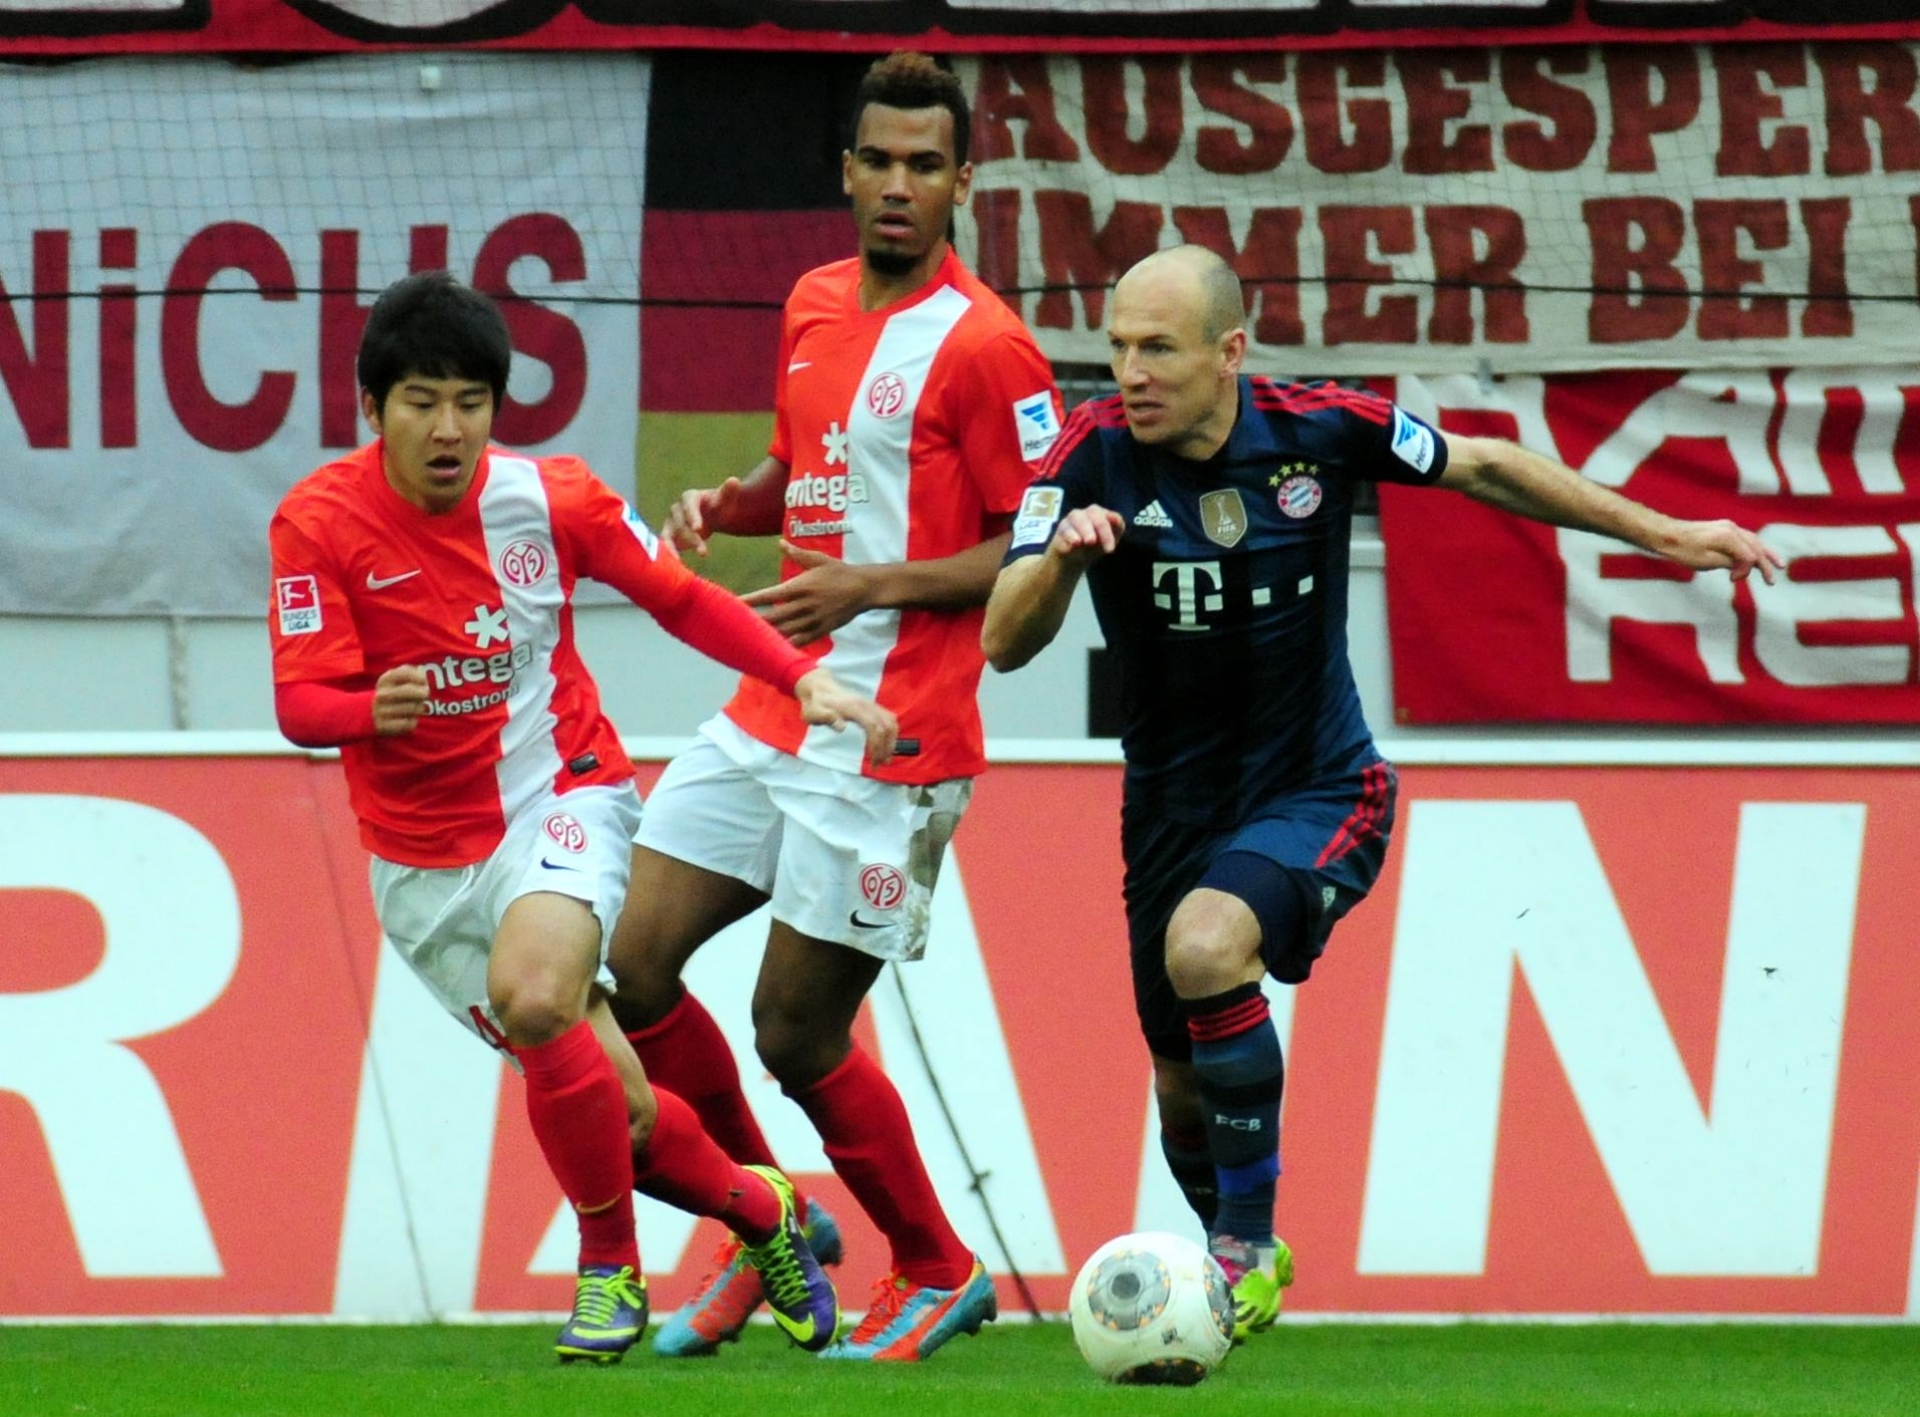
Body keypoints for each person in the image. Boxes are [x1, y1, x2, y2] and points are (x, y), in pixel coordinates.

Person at [980, 244, 1783, 1341]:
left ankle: (1245, 1247)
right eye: (1117, 346)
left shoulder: (1319, 427)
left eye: (1157, 347)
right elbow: (1003, 640)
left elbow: (1488, 466)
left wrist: (1667, 531)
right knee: (1178, 1085)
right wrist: (1060, 561)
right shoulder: (1089, 457)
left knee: (1209, 947)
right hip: (1169, 807)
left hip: (1321, 783)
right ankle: (1227, 1281)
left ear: (1229, 355)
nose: (1130, 371)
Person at [268, 271, 897, 1364]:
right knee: (631, 1117)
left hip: (561, 794)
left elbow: (681, 597)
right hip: (423, 871)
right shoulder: (317, 523)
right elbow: (297, 703)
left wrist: (801, 679)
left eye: (471, 401)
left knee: (537, 989)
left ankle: (609, 1269)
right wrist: (370, 708)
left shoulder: (549, 499)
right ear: (372, 409)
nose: (449, 427)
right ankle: (767, 1215)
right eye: (421, 400)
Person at [604, 51, 1063, 1364]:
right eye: (882, 162)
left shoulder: (989, 348)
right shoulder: (810, 301)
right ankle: (773, 1224)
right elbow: (805, 468)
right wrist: (733, 504)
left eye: (930, 166)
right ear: (847, 171)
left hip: (895, 739)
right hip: (768, 706)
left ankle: (936, 1261)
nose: (903, 187)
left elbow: (1027, 545)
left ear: (965, 181)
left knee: (795, 1029)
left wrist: (874, 581)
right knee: (627, 969)